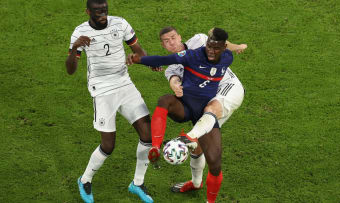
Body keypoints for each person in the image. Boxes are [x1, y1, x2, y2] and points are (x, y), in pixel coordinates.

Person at [127, 27, 234, 203]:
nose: (210, 51)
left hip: (205, 113)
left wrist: (238, 47)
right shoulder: (193, 55)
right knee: (165, 100)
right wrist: (139, 60)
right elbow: (164, 59)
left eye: (215, 48)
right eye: (208, 46)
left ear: (223, 48)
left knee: (215, 163)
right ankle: (155, 146)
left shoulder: (228, 58)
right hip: (185, 106)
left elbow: (230, 49)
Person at [65, 0, 155, 202]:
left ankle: (137, 183)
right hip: (102, 89)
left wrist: (150, 63)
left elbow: (137, 48)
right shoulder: (79, 32)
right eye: (97, 11)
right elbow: (70, 70)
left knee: (148, 134)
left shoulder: (120, 24)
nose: (102, 14)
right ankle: (85, 180)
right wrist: (75, 48)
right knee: (108, 145)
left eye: (104, 9)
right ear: (88, 11)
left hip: (124, 83)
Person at [156, 27, 246, 195]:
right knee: (199, 144)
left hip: (228, 88)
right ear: (163, 46)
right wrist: (175, 85)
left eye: (173, 38)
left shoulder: (198, 40)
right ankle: (196, 183)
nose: (172, 43)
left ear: (180, 36)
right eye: (166, 41)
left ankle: (188, 137)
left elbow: (223, 44)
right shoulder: (172, 67)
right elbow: (173, 79)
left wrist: (237, 46)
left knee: (209, 112)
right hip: (207, 98)